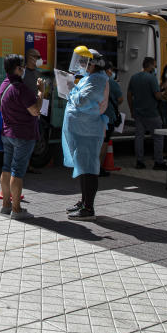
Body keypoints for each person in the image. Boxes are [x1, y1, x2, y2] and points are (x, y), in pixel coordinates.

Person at [63, 48, 110, 221]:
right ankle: (83, 202)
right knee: (83, 167)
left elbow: (82, 101)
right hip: (81, 130)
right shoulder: (89, 78)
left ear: (94, 63)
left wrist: (71, 88)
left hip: (87, 132)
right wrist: (72, 88)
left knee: (89, 169)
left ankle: (88, 208)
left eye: (84, 62)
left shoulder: (98, 79)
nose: (81, 65)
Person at [0, 54, 42, 220]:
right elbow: (35, 111)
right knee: (17, 171)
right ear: (17, 69)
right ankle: (16, 209)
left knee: (6, 168)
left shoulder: (4, 85)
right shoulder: (21, 89)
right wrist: (41, 93)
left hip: (7, 133)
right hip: (23, 135)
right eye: (21, 67)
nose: (23, 70)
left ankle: (6, 205)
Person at [128, 57, 167, 170]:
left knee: (139, 137)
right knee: (158, 137)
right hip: (151, 113)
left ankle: (139, 161)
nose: (155, 68)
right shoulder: (151, 78)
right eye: (154, 66)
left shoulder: (134, 77)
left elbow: (129, 95)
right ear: (150, 66)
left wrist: (131, 109)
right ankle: (158, 162)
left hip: (138, 112)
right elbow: (157, 95)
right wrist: (164, 93)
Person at [99, 62, 124, 176]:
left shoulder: (95, 81)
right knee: (104, 143)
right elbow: (120, 99)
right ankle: (98, 168)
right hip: (108, 117)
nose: (112, 72)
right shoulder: (112, 83)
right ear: (108, 70)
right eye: (111, 70)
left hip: (95, 116)